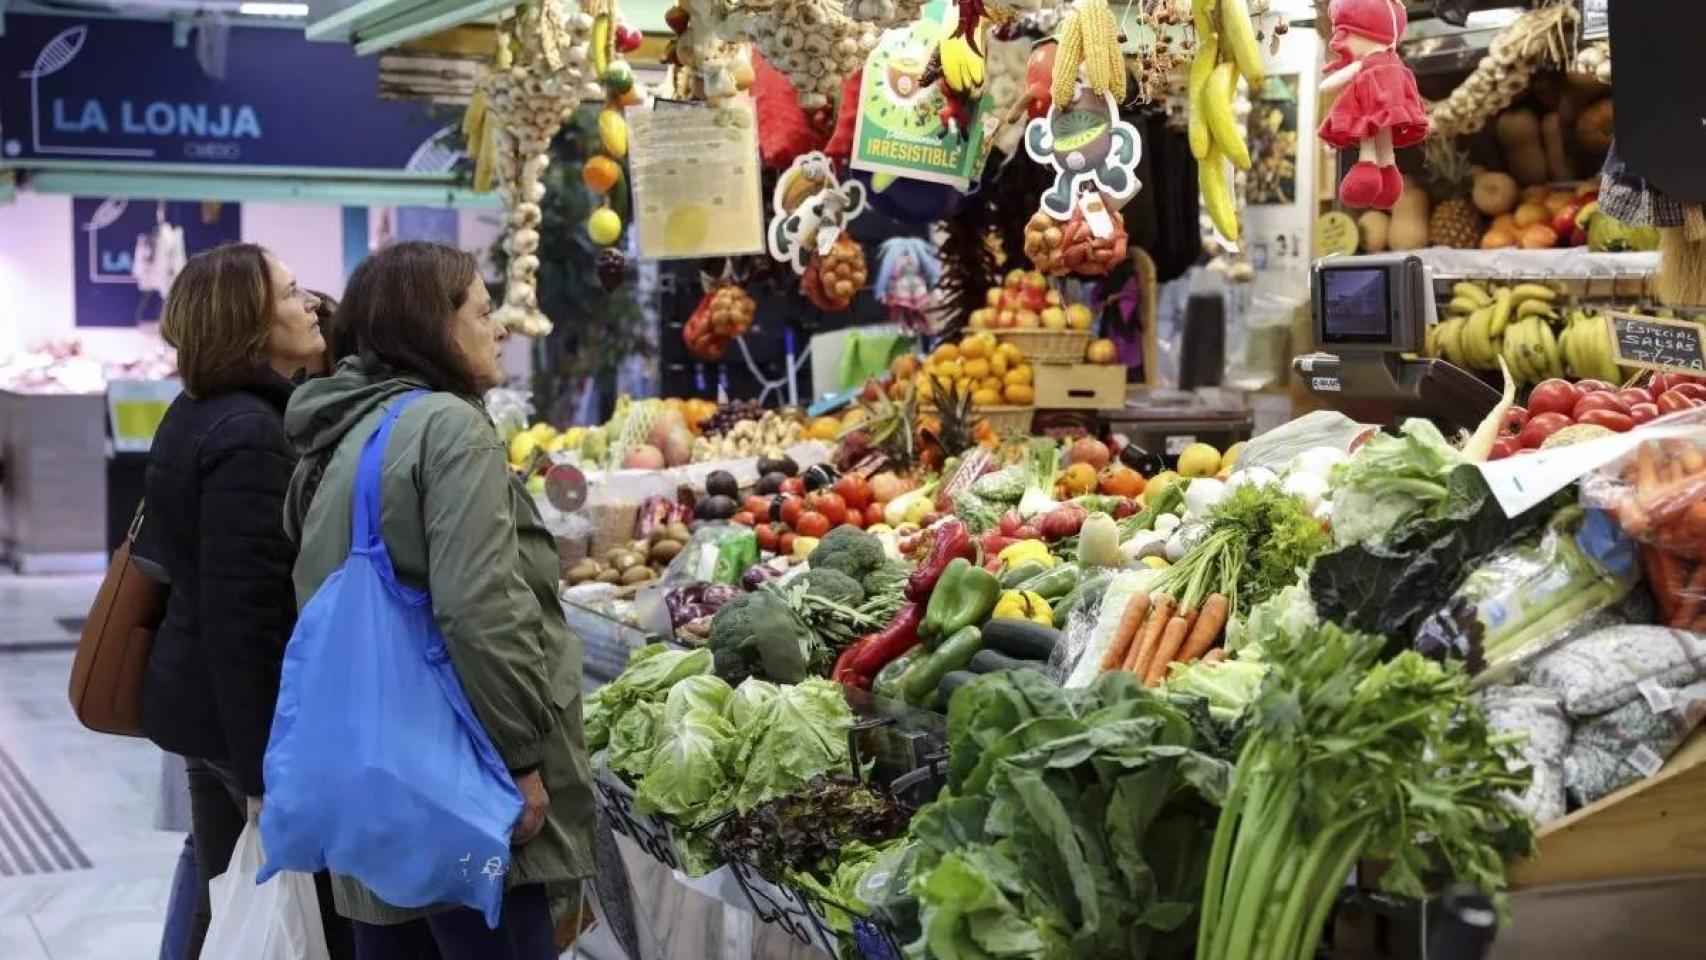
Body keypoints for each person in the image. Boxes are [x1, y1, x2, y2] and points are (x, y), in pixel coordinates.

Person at [283, 241, 594, 960]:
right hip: (458, 786)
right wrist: (519, 759)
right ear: (433, 325)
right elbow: (478, 608)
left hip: (370, 784)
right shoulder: (449, 428)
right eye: (484, 312)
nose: (500, 327)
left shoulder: (338, 435)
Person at [141, 243, 351, 959]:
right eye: (293, 295)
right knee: (272, 911)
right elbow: (247, 616)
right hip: (240, 724)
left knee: (223, 894)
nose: (311, 305)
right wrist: (265, 771)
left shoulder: (200, 411)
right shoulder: (250, 436)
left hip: (205, 710)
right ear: (252, 326)